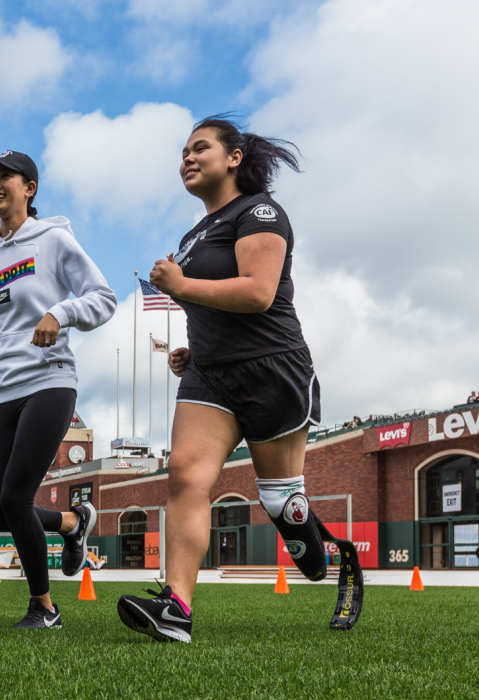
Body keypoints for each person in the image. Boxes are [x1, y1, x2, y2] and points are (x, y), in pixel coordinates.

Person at [123, 114, 327, 643]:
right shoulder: (192, 237)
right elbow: (213, 307)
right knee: (185, 476)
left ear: (234, 158)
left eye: (200, 148)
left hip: (272, 369)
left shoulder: (260, 211)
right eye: (183, 153)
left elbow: (258, 293)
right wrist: (196, 349)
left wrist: (183, 286)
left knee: (281, 501)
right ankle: (176, 608)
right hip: (210, 378)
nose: (187, 159)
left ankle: (325, 549)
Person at [0, 149, 116, 629]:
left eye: (5, 175)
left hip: (50, 381)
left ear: (29, 188)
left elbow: (103, 298)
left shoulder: (52, 239)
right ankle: (73, 523)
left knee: (15, 497)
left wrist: (61, 312)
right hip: (2, 391)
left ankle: (44, 608)